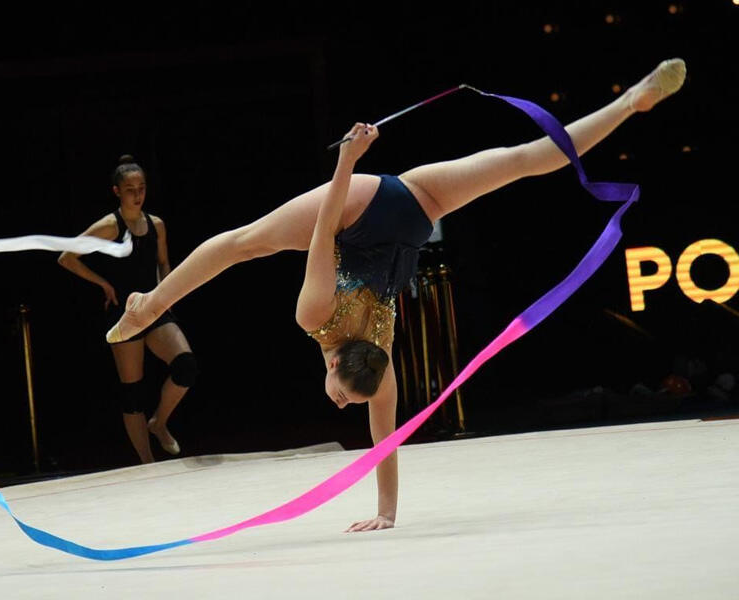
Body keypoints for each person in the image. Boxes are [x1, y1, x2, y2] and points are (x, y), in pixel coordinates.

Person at [106, 59, 686, 528]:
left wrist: (387, 512)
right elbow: (325, 229)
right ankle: (151, 306)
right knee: (244, 243)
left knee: (523, 161)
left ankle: (630, 101)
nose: (340, 403)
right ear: (339, 365)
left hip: (410, 212)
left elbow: (382, 437)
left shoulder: (375, 365)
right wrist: (347, 161)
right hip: (360, 211)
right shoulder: (318, 318)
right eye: (344, 398)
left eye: (343, 401)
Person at [58, 155, 199, 464]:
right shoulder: (110, 226)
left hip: (153, 308)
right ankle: (148, 464)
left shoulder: (156, 225)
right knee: (132, 393)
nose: (137, 195)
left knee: (185, 366)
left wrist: (168, 293)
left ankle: (159, 423)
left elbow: (163, 263)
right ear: (117, 191)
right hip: (123, 314)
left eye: (142, 188)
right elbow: (67, 257)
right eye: (130, 189)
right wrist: (103, 284)